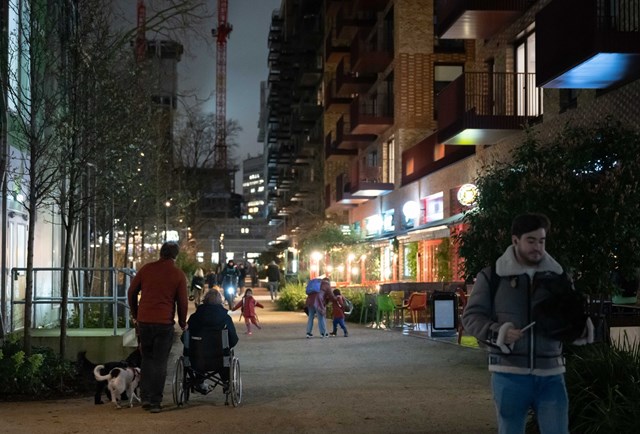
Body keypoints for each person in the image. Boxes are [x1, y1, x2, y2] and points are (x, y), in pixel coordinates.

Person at [461, 213, 592, 434]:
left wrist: (578, 328)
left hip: (552, 374)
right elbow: (471, 318)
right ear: (515, 241)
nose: (537, 247)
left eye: (541, 241)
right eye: (531, 241)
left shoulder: (559, 276)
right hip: (508, 374)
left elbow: (570, 315)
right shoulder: (493, 276)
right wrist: (499, 333)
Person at [127, 241, 188, 413]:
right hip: (164, 323)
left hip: (144, 321)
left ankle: (145, 397)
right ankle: (155, 401)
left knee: (147, 359)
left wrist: (135, 313)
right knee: (160, 362)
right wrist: (182, 322)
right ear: (175, 255)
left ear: (161, 253)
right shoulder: (177, 274)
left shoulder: (146, 269)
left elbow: (131, 291)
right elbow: (182, 302)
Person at [184, 288, 239, 394]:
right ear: (220, 301)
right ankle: (226, 381)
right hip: (219, 358)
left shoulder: (194, 317)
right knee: (227, 354)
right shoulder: (225, 318)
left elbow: (185, 338)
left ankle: (199, 381)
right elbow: (233, 339)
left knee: (196, 353)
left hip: (197, 359)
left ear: (204, 300)